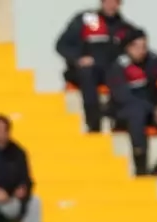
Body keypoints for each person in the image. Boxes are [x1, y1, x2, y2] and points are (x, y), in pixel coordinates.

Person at [106, 28, 157, 176]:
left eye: (144, 46)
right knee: (136, 113)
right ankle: (140, 168)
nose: (141, 51)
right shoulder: (118, 66)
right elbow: (123, 97)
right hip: (125, 111)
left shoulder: (152, 60)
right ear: (128, 48)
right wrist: (155, 110)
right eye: (136, 47)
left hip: (153, 111)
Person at [55, 0, 135, 133]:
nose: (111, 5)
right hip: (83, 70)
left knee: (120, 73)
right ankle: (94, 125)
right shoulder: (85, 19)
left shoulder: (124, 28)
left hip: (108, 70)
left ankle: (120, 122)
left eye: (115, 2)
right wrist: (78, 58)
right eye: (107, 1)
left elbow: (133, 51)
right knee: (87, 73)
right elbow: (62, 45)